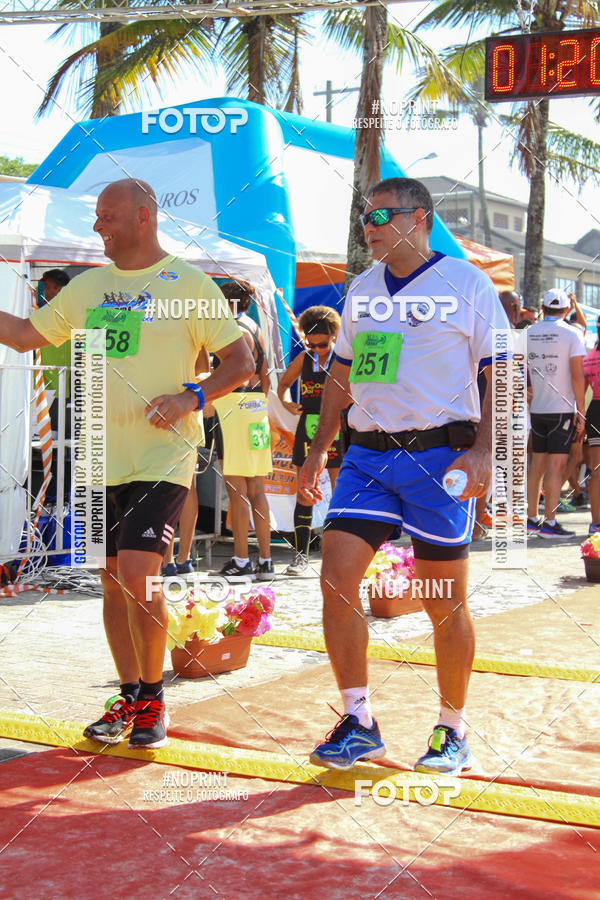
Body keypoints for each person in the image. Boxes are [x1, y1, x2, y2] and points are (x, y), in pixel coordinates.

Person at [0, 178, 254, 749]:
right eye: (96, 216)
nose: (97, 227)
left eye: (107, 216)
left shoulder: (190, 286)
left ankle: (152, 697)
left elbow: (241, 361)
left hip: (162, 456)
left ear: (143, 217)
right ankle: (131, 694)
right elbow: (21, 336)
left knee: (140, 574)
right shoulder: (89, 287)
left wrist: (191, 398)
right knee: (113, 582)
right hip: (96, 454)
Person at [300, 177, 509, 774]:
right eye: (366, 217)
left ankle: (452, 729)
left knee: (443, 598)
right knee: (336, 581)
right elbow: (341, 376)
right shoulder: (362, 289)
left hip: (439, 460)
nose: (370, 227)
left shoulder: (465, 282)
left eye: (382, 216)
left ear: (419, 218)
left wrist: (484, 453)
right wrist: (319, 452)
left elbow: (501, 371)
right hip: (365, 457)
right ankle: (358, 720)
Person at [212, 279, 274, 581]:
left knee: (237, 491)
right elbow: (265, 378)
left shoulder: (233, 330)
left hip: (234, 409)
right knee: (256, 489)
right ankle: (265, 561)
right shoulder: (257, 329)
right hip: (256, 410)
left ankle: (241, 561)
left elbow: (232, 375)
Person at [277, 306, 343, 574]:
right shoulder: (305, 358)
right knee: (304, 489)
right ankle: (300, 556)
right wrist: (287, 403)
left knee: (342, 490)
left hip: (338, 427)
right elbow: (282, 386)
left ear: (335, 336)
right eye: (312, 344)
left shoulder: (343, 359)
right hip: (309, 426)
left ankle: (339, 553)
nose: (318, 349)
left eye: (323, 344)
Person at [526, 288, 585, 538]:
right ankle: (549, 522)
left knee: (537, 465)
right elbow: (576, 375)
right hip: (561, 408)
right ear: (565, 309)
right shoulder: (572, 333)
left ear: (542, 308)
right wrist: (581, 411)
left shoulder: (528, 331)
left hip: (537, 407)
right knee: (557, 467)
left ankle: (531, 517)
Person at [583, 316, 600, 534]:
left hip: (594, 411)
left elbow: (581, 392)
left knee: (597, 471)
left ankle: (596, 523)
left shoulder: (589, 356)